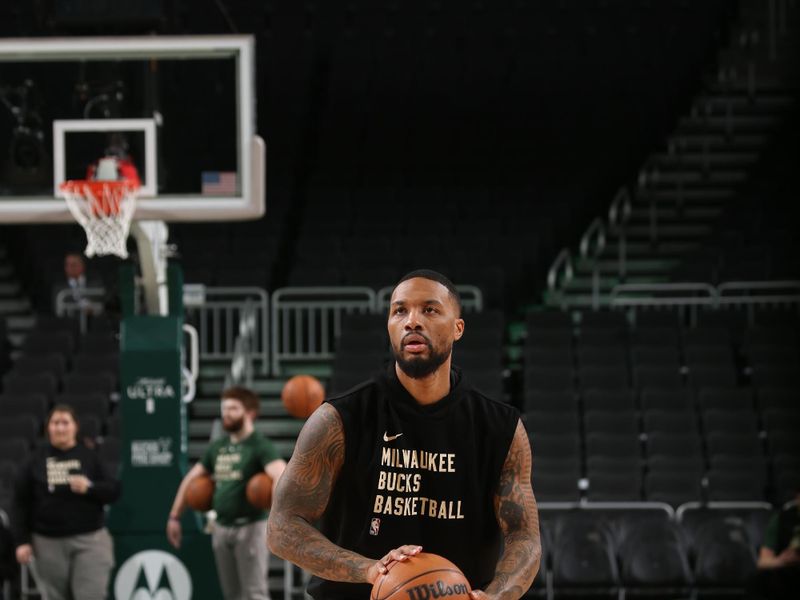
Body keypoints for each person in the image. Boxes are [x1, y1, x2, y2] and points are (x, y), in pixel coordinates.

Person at [268, 269, 541, 600]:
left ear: (458, 328)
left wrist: (498, 595)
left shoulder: (500, 428)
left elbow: (524, 537)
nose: (412, 321)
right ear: (389, 326)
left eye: (429, 309)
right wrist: (371, 570)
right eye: (400, 310)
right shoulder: (339, 419)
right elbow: (282, 527)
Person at [167, 386, 287, 600]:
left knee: (254, 593)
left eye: (233, 408)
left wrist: (278, 515)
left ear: (250, 413)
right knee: (231, 595)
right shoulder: (218, 447)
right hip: (222, 527)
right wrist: (175, 516)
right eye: (224, 408)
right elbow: (191, 479)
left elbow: (281, 473)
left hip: (250, 527)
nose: (226, 414)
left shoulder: (259, 445)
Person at [12, 404, 120, 600]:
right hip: (47, 542)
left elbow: (114, 491)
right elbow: (20, 502)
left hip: (90, 540)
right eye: (55, 423)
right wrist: (22, 541)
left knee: (91, 595)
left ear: (75, 427)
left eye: (65, 423)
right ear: (48, 427)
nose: (60, 428)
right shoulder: (35, 460)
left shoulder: (91, 456)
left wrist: (90, 488)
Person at [751, 489, 800, 599]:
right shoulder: (783, 519)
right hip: (788, 573)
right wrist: (782, 560)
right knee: (759, 581)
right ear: (797, 497)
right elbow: (763, 562)